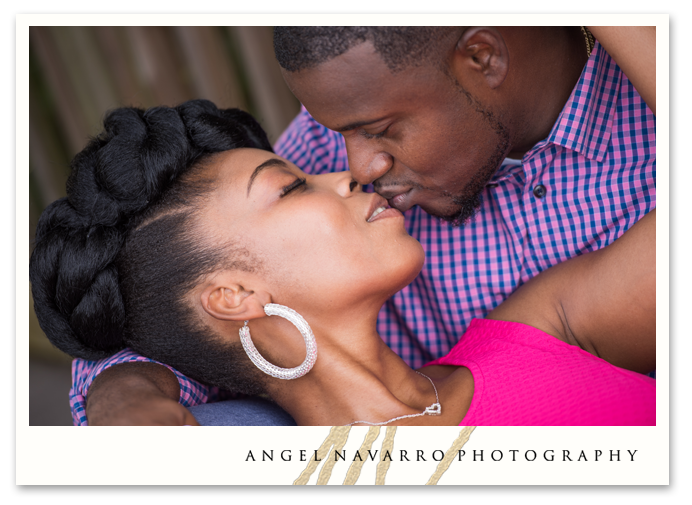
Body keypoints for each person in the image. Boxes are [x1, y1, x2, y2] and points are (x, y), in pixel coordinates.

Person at [65, 26, 656, 425]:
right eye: (296, 182)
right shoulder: (352, 119)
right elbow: (166, 289)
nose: (353, 170)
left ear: (483, 57)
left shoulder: (539, 326)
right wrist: (122, 397)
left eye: (380, 128)